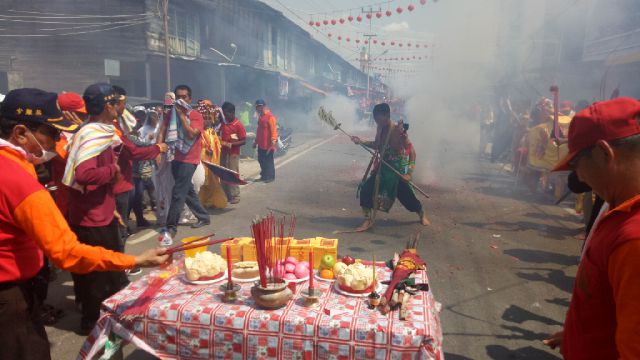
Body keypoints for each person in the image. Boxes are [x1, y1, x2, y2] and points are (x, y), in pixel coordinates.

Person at [0, 88, 169, 360]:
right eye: (52, 133)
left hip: (92, 217)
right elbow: (67, 252)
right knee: (99, 291)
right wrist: (135, 259)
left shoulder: (15, 166)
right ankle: (101, 339)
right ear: (20, 133)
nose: (58, 141)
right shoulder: (18, 180)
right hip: (9, 296)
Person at [543, 97, 640, 359]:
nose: (580, 178)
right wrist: (577, 332)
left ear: (603, 153)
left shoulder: (634, 239)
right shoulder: (617, 210)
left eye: (576, 166)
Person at [351, 103, 430, 232]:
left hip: (396, 172)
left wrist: (409, 173)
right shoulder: (380, 128)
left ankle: (421, 212)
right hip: (382, 170)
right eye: (375, 119)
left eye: (379, 119)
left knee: (408, 199)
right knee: (366, 190)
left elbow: (412, 153)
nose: (377, 122)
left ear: (387, 116)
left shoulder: (398, 132)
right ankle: (367, 220)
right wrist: (361, 142)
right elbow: (377, 145)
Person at [163, 85, 210, 236]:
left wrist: (182, 116)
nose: (182, 100)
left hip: (189, 159)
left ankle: (171, 227)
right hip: (175, 156)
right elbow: (165, 129)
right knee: (187, 190)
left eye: (185, 97)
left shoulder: (195, 115)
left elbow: (191, 135)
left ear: (190, 99)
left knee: (178, 192)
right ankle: (203, 216)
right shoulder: (172, 114)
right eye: (179, 97)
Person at [198, 100, 228, 209]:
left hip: (213, 161)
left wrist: (219, 144)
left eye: (208, 118)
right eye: (204, 118)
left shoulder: (212, 131)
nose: (207, 120)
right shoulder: (198, 132)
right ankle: (201, 203)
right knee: (202, 183)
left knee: (213, 183)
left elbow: (217, 146)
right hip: (202, 161)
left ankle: (211, 201)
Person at [220, 101, 247, 203]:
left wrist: (231, 144)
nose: (225, 116)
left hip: (233, 154)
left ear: (232, 113)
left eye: (226, 114)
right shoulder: (223, 123)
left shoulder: (238, 125)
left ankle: (235, 195)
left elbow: (244, 141)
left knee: (232, 174)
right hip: (223, 153)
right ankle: (226, 195)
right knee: (223, 173)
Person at [253, 99, 277, 182]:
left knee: (269, 161)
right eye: (257, 107)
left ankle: (270, 177)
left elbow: (273, 130)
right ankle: (264, 175)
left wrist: (273, 141)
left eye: (259, 106)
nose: (258, 109)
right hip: (261, 144)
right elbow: (259, 131)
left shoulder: (270, 117)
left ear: (263, 106)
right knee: (261, 160)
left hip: (268, 144)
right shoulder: (260, 117)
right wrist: (255, 142)